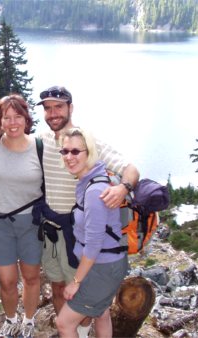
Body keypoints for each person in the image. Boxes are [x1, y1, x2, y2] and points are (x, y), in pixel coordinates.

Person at [0, 85, 139, 337]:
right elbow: (13, 136)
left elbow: (130, 168)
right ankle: (67, 329)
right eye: (48, 108)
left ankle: (77, 330)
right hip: (50, 231)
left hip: (78, 232)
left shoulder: (86, 141)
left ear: (71, 107)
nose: (53, 113)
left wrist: (123, 188)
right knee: (58, 287)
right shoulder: (42, 141)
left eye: (58, 107)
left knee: (78, 290)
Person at [55, 127, 129, 337]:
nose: (69, 157)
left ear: (90, 153)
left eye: (76, 151)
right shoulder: (89, 180)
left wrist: (75, 283)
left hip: (102, 268)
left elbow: (94, 244)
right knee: (102, 313)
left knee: (64, 323)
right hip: (110, 264)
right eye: (65, 151)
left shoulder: (95, 190)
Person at [0, 95, 44, 338]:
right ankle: (11, 320)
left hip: (31, 222)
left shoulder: (39, 146)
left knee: (31, 277)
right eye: (6, 117)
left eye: (17, 116)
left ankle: (28, 322)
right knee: (6, 280)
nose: (12, 123)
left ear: (26, 119)